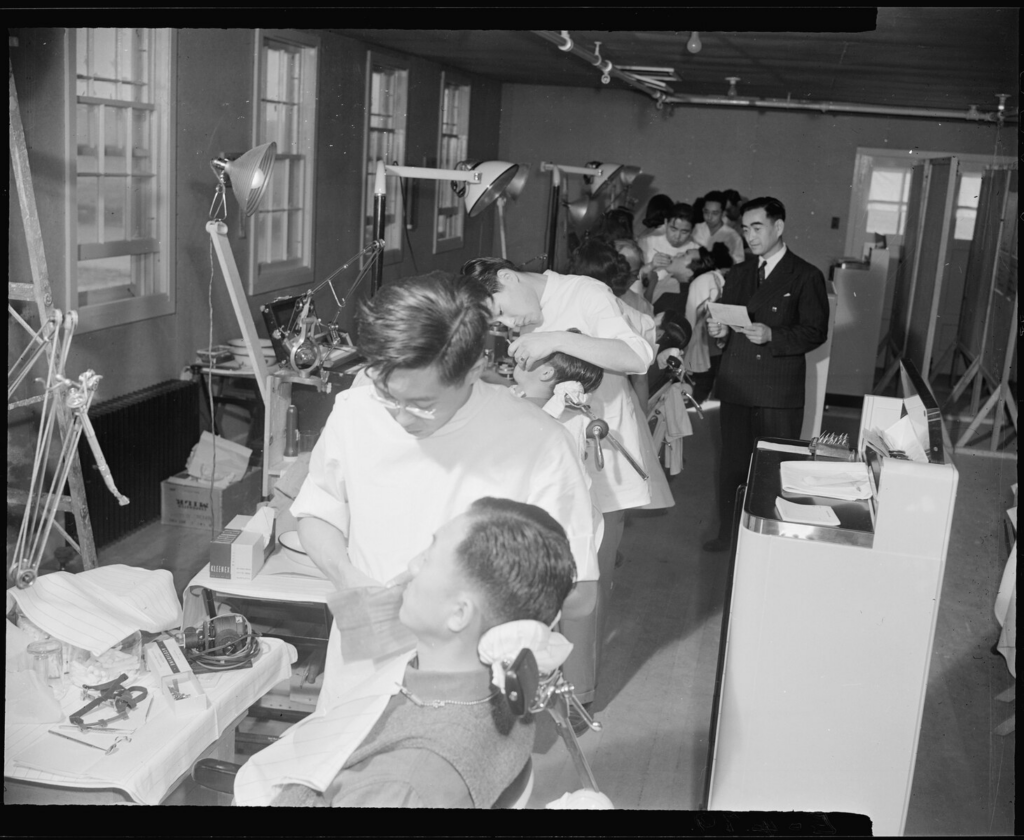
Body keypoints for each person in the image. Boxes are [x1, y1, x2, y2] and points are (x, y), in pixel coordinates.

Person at [290, 272, 600, 709]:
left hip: (473, 684)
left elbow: (579, 589)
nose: (401, 418)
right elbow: (317, 511)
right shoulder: (355, 411)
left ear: (474, 369)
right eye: (387, 394)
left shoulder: (540, 443)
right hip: (362, 666)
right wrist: (349, 578)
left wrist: (471, 613)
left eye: (422, 403)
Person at [234, 498, 578, 808]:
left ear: (459, 614)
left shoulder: (404, 785)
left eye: (427, 559)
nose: (411, 565)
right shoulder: (494, 681)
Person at [460, 257, 654, 712]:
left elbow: (637, 357)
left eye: (503, 311)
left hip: (598, 456)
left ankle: (580, 695)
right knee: (550, 576)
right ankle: (543, 676)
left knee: (589, 583)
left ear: (507, 278)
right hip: (551, 454)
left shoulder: (584, 292)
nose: (509, 324)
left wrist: (554, 338)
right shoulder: (524, 312)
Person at [703, 197, 830, 552]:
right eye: (745, 229)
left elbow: (815, 331)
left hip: (778, 391)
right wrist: (720, 332)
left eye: (757, 228)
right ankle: (729, 535)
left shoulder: (806, 275)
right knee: (732, 466)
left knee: (774, 468)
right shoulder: (741, 274)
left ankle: (771, 542)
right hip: (737, 385)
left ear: (778, 227)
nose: (750, 236)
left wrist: (773, 334)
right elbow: (729, 323)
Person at [683, 242, 735, 405]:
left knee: (699, 384)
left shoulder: (702, 280)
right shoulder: (714, 279)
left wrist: (684, 345)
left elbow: (692, 317)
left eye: (686, 255)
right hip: (711, 341)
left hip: (702, 339)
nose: (679, 256)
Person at [638, 203, 700, 304]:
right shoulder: (647, 242)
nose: (677, 236)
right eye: (673, 229)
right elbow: (632, 276)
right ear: (666, 223)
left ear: (692, 230)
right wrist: (650, 266)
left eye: (684, 232)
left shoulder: (695, 251)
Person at [692, 190, 746, 266]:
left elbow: (739, 265)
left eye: (715, 213)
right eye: (706, 212)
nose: (709, 217)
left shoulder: (733, 237)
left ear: (723, 213)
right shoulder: (695, 229)